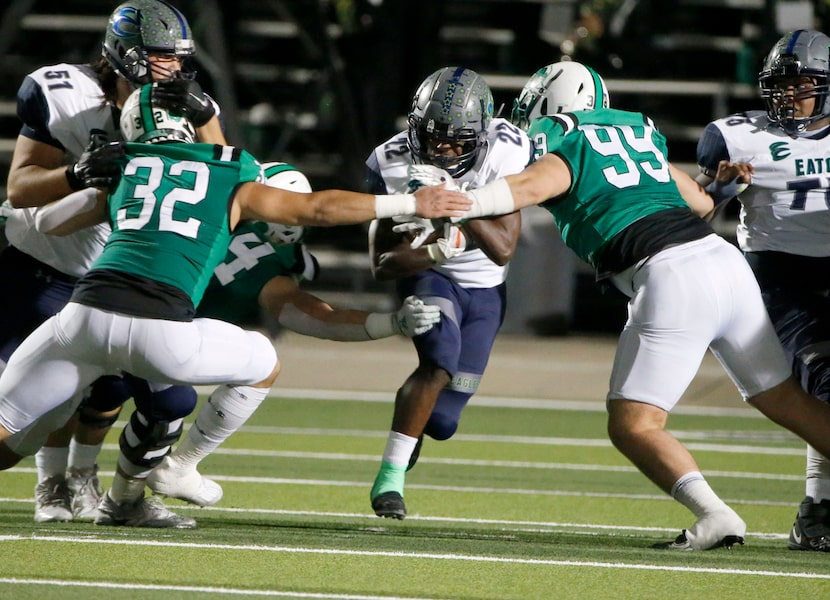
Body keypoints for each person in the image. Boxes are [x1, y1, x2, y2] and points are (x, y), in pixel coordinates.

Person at [0, 83, 469, 526]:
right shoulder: (231, 169)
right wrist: (411, 203)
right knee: (263, 361)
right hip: (161, 330)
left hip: (83, 317)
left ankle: (103, 487)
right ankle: (179, 468)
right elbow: (317, 209)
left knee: (7, 437)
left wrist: (83, 176)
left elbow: (48, 223)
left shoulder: (124, 165)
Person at [422, 59, 830, 550]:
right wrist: (723, 188)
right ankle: (719, 516)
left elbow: (526, 189)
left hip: (670, 274)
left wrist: (445, 201)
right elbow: (701, 203)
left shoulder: (564, 139)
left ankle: (715, 516)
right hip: (725, 262)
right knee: (788, 401)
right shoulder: (634, 131)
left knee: (633, 423)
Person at [84, 161, 442, 515]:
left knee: (88, 395)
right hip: (163, 333)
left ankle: (72, 481)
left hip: (97, 305)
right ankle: (134, 491)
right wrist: (390, 323)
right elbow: (304, 313)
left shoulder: (198, 205)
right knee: (170, 402)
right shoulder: (261, 248)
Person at [1, 0, 227, 525]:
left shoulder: (188, 105)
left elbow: (225, 173)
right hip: (47, 266)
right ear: (123, 54)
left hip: (127, 273)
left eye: (176, 59)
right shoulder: (66, 95)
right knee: (33, 403)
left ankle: (98, 486)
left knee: (161, 400)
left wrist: (208, 117)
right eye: (156, 57)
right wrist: (77, 174)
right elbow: (20, 187)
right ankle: (51, 481)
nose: (169, 70)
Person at [364, 66, 532, 519]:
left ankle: (413, 430)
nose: (444, 148)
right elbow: (383, 265)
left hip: (486, 289)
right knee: (437, 364)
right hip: (430, 275)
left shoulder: (506, 149)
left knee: (442, 421)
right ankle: (389, 482)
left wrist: (454, 197)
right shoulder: (391, 160)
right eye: (435, 137)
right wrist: (439, 251)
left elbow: (502, 248)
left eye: (458, 140)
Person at [696, 29, 830, 552]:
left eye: (802, 85)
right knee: (824, 380)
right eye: (780, 85)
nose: (788, 96)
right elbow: (695, 209)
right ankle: (817, 506)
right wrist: (721, 191)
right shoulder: (736, 136)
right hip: (781, 280)